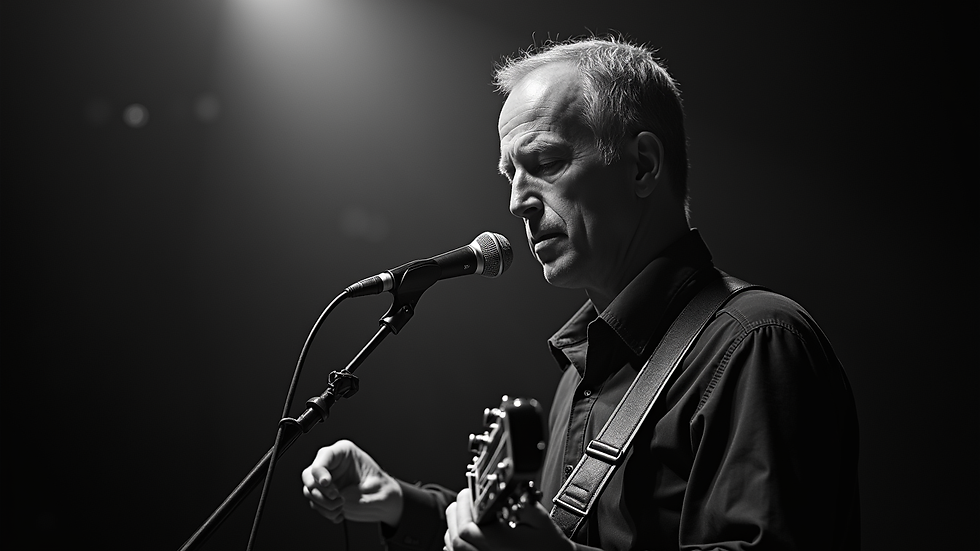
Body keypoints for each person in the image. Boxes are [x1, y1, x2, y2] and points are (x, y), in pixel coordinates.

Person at [301, 37, 860, 551]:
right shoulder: (582, 372)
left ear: (642, 165)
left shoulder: (757, 343)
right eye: (509, 175)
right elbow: (563, 535)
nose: (516, 203)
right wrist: (399, 503)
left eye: (544, 163)